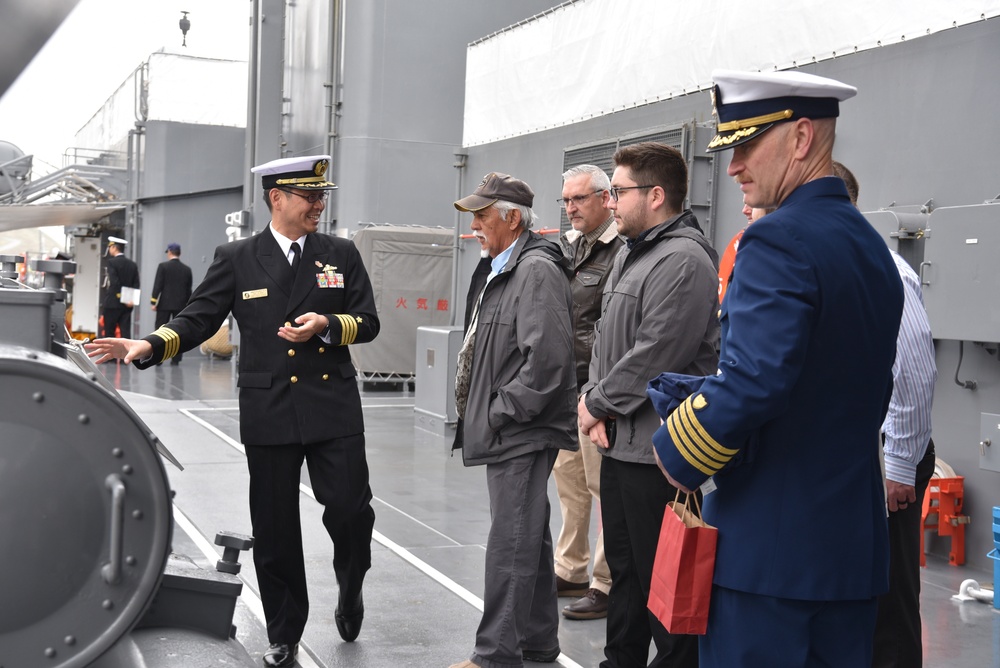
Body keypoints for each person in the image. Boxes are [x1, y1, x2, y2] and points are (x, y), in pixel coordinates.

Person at [652, 70, 904, 667]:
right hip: (849, 554)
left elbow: (754, 381)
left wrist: (677, 453)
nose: (734, 166)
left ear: (800, 138)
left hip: (769, 557)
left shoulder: (776, 240)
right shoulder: (870, 247)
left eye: (746, 145)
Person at [86, 155, 379, 668]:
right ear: (276, 198)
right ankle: (285, 633)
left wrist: (328, 324)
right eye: (309, 196)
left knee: (352, 512)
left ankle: (350, 583)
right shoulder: (238, 256)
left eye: (321, 195)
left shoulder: (341, 253)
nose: (319, 204)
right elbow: (200, 316)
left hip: (332, 404)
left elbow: (368, 321)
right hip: (269, 408)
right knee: (275, 527)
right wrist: (151, 343)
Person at [578, 141, 718, 668]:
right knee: (625, 574)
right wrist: (595, 403)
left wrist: (598, 404)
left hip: (660, 456)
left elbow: (656, 353)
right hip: (620, 445)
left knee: (667, 589)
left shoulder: (683, 261)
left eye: (618, 191)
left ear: (656, 195)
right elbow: (602, 338)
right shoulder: (633, 255)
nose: (609, 202)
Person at [448, 172, 578, 668]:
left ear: (513, 218)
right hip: (511, 425)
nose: (475, 225)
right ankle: (539, 642)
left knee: (510, 542)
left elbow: (546, 361)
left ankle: (495, 655)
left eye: (483, 215)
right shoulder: (504, 267)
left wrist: (500, 411)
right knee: (529, 532)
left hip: (520, 429)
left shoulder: (534, 271)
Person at [831, 161, 937, 668]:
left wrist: (897, 466)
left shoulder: (884, 268)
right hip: (854, 455)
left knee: (889, 596)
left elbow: (914, 370)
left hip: (886, 459)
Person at [552, 164, 622, 620]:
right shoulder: (568, 249)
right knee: (570, 486)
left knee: (602, 489)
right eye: (565, 201)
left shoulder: (622, 252)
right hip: (565, 388)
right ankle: (571, 567)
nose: (570, 208)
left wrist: (599, 397)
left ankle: (605, 580)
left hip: (596, 392)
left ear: (604, 198)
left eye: (578, 199)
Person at [150, 242, 193, 364]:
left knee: (160, 330)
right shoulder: (187, 270)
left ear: (169, 252)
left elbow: (158, 285)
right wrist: (189, 305)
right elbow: (188, 289)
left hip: (164, 304)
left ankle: (158, 358)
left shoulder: (163, 267)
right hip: (181, 305)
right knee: (179, 332)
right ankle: (176, 359)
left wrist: (153, 301)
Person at [101, 235, 140, 339]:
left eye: (110, 247)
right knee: (125, 333)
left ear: (114, 247)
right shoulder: (132, 264)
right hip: (127, 305)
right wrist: (131, 300)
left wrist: (121, 296)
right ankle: (127, 355)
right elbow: (136, 283)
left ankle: (111, 356)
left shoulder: (111, 262)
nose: (109, 249)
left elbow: (115, 282)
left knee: (110, 333)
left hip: (113, 303)